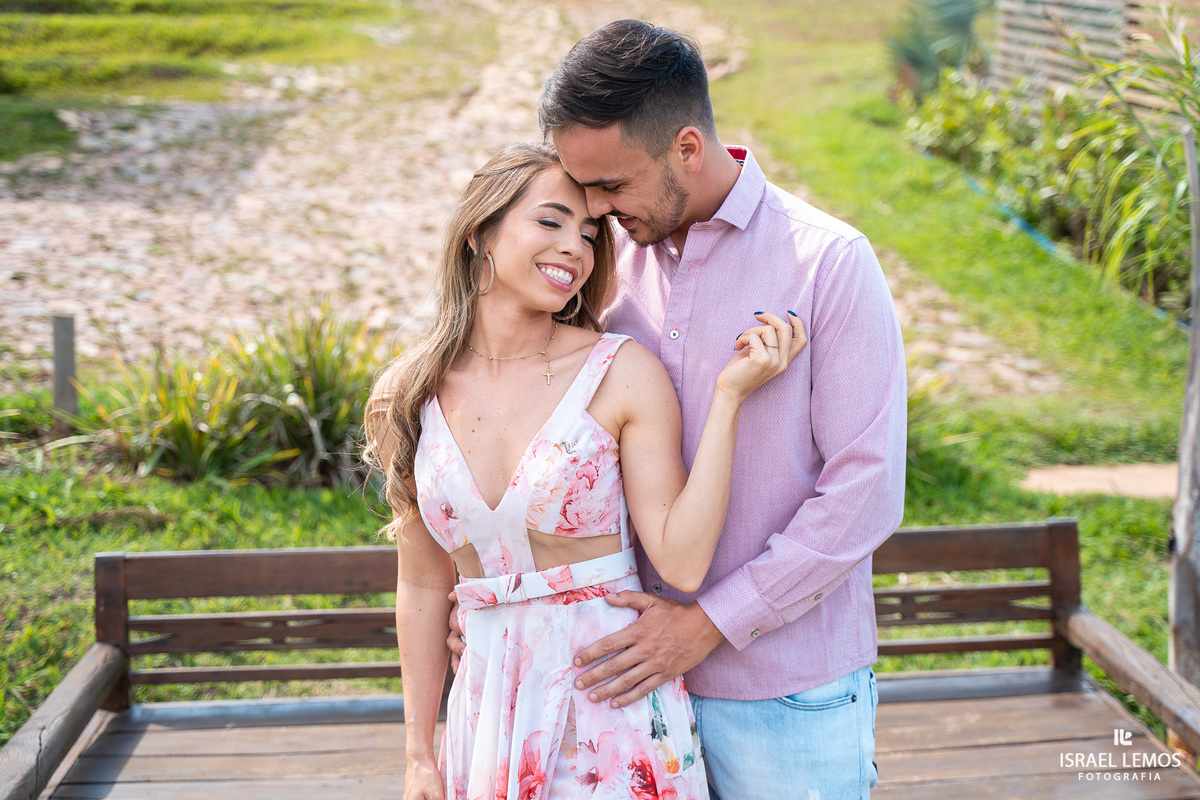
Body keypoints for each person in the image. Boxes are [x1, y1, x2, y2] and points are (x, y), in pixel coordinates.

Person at [528, 19, 907, 799]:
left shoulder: (828, 263)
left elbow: (865, 493)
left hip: (787, 698)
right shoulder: (594, 266)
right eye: (581, 185)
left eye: (611, 185)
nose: (591, 210)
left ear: (687, 149)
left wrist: (705, 627)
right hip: (621, 691)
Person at [365, 142, 806, 799]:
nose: (575, 246)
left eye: (591, 232)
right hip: (485, 718)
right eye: (550, 222)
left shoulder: (619, 372)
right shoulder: (409, 391)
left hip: (610, 709)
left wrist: (730, 397)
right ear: (480, 232)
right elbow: (425, 586)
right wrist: (418, 755)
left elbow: (683, 562)